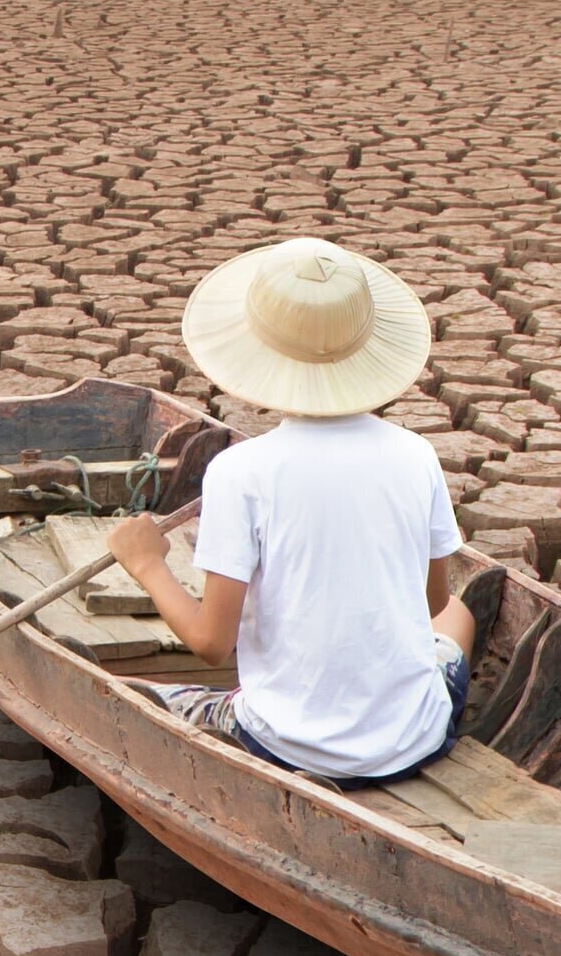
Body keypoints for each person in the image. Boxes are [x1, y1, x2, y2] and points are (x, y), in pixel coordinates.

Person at [106, 236, 478, 782]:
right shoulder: (415, 453)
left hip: (287, 747)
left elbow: (212, 644)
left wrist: (147, 564)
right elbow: (433, 602)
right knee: (460, 615)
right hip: (416, 739)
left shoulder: (241, 471)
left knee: (140, 695)